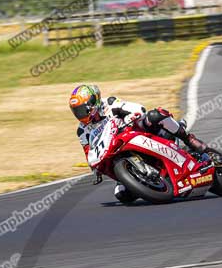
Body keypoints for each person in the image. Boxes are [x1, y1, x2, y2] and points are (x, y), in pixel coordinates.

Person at [68, 84, 210, 201]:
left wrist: (131, 116)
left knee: (155, 115)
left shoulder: (109, 103)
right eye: (76, 111)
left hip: (137, 131)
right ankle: (148, 181)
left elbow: (138, 108)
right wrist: (96, 169)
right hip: (115, 150)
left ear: (93, 102)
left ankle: (188, 139)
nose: (80, 114)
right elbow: (89, 152)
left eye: (82, 109)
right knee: (122, 195)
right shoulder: (82, 130)